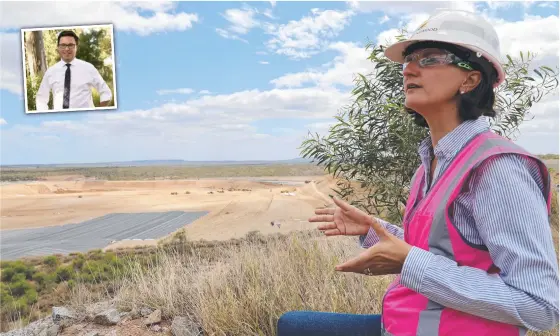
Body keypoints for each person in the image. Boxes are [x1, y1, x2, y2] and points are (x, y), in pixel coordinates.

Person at [277, 9, 559, 336]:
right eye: (409, 59)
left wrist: (408, 263)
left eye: (430, 58)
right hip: (405, 325)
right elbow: (439, 251)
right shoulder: (431, 162)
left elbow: (540, 305)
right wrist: (372, 229)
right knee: (292, 325)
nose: (408, 68)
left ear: (471, 78)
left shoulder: (497, 168)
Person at [35, 30, 113, 111]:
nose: (67, 48)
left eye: (71, 45)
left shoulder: (88, 68)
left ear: (76, 47)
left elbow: (106, 93)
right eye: (63, 45)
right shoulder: (50, 72)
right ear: (58, 47)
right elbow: (41, 99)